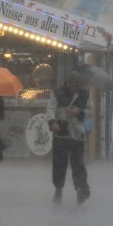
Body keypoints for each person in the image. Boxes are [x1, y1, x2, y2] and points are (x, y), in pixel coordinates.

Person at [46, 71, 95, 204]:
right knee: (59, 164)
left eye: (77, 86)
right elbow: (50, 110)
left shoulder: (85, 94)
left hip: (77, 134)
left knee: (78, 164)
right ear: (68, 83)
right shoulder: (57, 93)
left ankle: (80, 189)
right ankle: (58, 189)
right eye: (73, 85)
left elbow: (91, 111)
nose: (75, 88)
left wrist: (79, 112)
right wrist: (53, 122)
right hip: (61, 133)